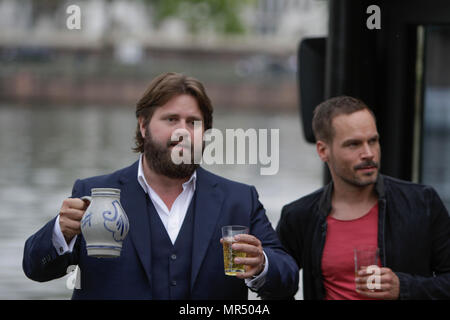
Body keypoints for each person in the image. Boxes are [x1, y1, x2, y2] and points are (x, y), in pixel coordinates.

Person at [23, 72, 299, 300]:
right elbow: (36, 269)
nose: (183, 131)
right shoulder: (93, 193)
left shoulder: (240, 199)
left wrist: (261, 264)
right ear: (143, 126)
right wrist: (61, 232)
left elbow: (287, 279)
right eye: (171, 119)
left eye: (193, 123)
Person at [276, 96, 450, 300]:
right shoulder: (299, 216)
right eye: (354, 144)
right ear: (323, 151)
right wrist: (260, 264)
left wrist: (404, 288)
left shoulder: (422, 202)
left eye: (373, 141)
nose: (368, 153)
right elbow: (275, 288)